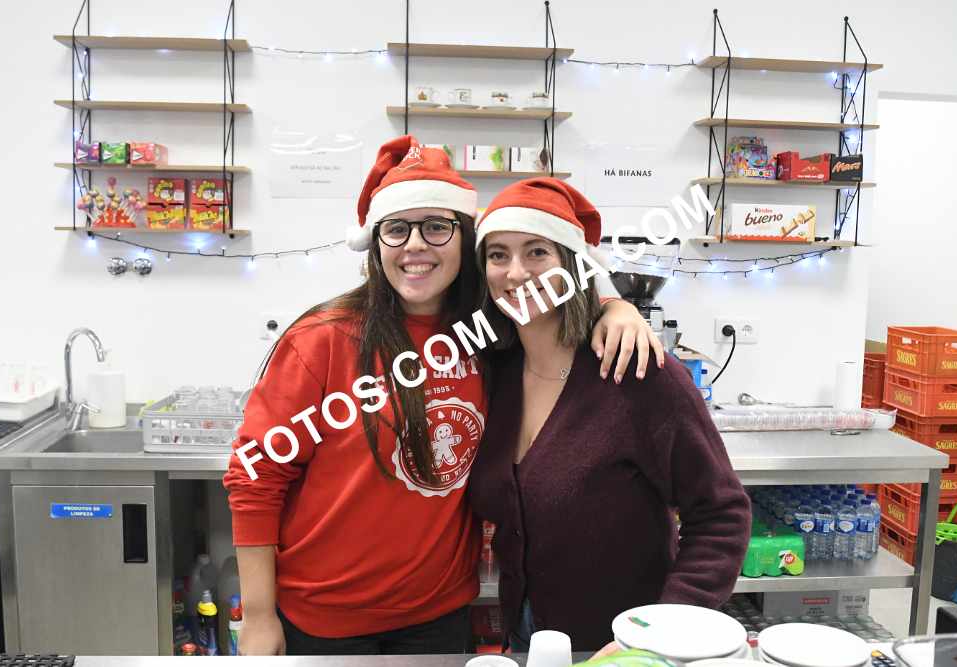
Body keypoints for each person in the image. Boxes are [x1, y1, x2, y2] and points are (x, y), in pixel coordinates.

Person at [222, 137, 662, 656]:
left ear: (464, 239)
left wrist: (615, 307)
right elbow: (255, 476)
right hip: (325, 618)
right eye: (396, 228)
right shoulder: (324, 339)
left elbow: (552, 291)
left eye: (436, 226)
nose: (415, 245)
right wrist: (259, 615)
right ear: (376, 243)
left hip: (438, 615)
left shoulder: (491, 334)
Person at [467, 177, 752, 653]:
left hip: (628, 647)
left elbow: (721, 514)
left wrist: (659, 635)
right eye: (498, 255)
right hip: (527, 636)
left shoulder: (637, 374)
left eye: (537, 252)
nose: (515, 273)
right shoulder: (494, 373)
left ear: (573, 266)